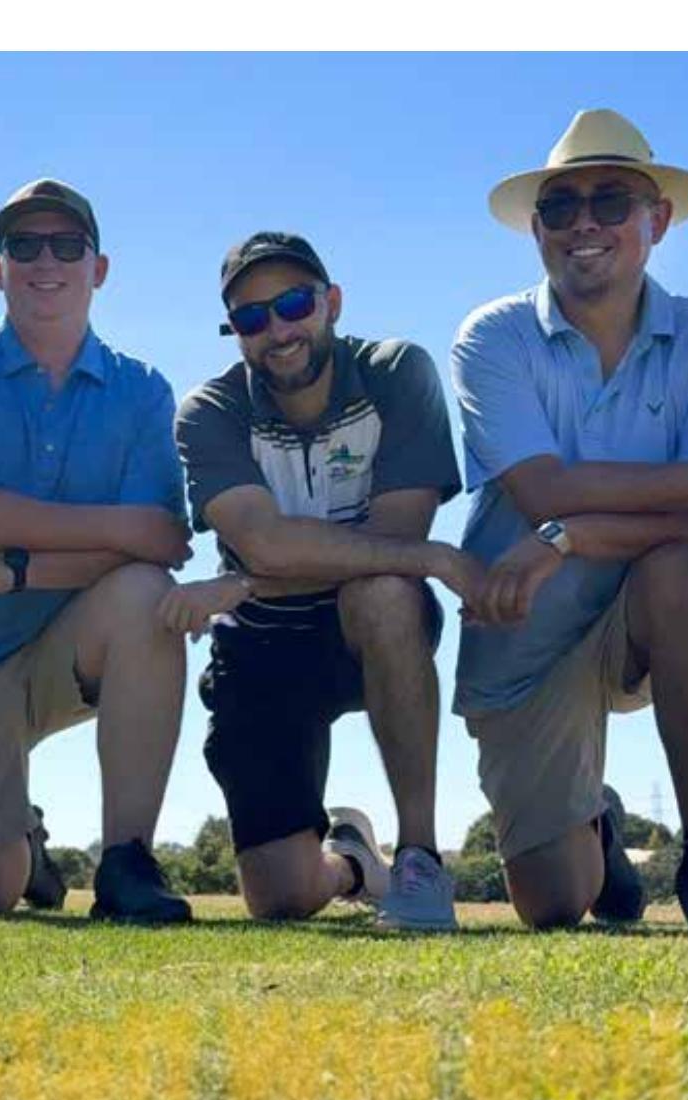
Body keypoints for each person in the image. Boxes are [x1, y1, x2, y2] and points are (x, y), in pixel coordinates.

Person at [451, 109, 688, 932]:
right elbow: (546, 491)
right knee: (555, 903)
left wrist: (572, 540)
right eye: (560, 206)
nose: (583, 224)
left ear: (657, 220)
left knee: (685, 572)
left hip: (643, 613)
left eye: (611, 201)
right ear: (537, 230)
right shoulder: (492, 337)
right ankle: (597, 824)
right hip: (522, 634)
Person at [0, 178, 195, 923]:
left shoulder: (143, 391)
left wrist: (11, 569)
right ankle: (21, 836)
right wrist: (117, 528)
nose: (44, 261)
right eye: (23, 246)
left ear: (99, 268)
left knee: (147, 594)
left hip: (65, 648)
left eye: (66, 244)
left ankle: (127, 861)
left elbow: (163, 542)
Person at [169, 232, 470, 930]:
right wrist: (438, 559)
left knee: (384, 592)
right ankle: (356, 865)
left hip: (360, 625)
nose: (277, 330)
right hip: (261, 647)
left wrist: (245, 580)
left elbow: (396, 546)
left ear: (331, 302)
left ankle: (420, 858)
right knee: (282, 897)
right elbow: (265, 543)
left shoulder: (397, 372)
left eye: (294, 305)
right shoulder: (208, 411)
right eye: (252, 317)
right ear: (235, 331)